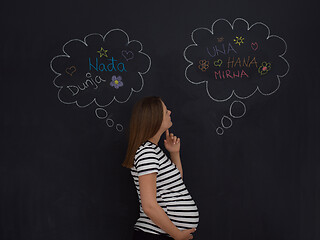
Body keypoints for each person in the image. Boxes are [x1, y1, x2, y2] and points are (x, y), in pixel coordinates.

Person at [122, 96, 199, 240]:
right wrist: (177, 235)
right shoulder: (147, 153)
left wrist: (174, 153)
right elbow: (149, 205)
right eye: (165, 111)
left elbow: (176, 185)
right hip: (155, 235)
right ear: (154, 118)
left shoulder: (154, 151)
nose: (169, 112)